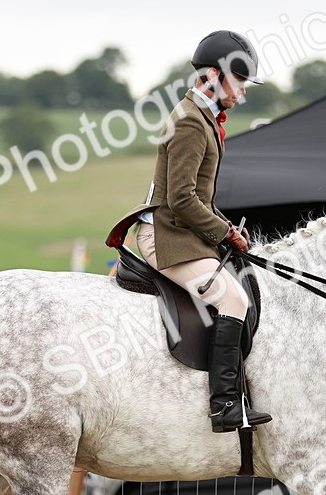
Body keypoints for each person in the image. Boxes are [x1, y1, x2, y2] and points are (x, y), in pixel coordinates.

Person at [111, 30, 271, 433]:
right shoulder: (189, 123)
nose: (243, 94)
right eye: (240, 82)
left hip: (183, 231)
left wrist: (227, 229)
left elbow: (198, 194)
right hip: (165, 236)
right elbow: (181, 200)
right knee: (234, 301)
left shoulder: (199, 117)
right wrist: (223, 233)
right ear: (215, 76)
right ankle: (223, 406)